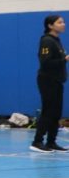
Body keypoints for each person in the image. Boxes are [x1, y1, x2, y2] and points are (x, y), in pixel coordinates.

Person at [32, 15, 67, 152]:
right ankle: (37, 141)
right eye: (59, 22)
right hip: (47, 80)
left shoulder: (56, 40)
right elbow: (45, 62)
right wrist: (65, 60)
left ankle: (51, 142)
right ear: (50, 25)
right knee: (48, 111)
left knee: (56, 113)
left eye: (63, 22)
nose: (63, 24)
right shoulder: (47, 41)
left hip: (57, 81)